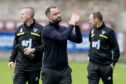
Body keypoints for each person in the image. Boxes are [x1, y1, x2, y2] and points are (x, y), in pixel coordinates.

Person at [41, 6, 82, 84]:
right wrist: (72, 24)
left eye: (58, 13)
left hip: (64, 70)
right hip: (50, 70)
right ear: (49, 17)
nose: (58, 15)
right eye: (55, 14)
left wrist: (76, 25)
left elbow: (78, 40)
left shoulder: (63, 28)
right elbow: (61, 37)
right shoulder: (47, 29)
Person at [8, 7, 44, 84]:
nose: (20, 16)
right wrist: (11, 60)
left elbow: (45, 46)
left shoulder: (41, 29)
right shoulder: (19, 29)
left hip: (34, 67)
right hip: (20, 67)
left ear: (29, 15)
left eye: (22, 14)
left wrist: (33, 49)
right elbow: (15, 46)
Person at [88, 11, 120, 84]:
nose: (89, 21)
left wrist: (113, 63)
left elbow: (116, 49)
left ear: (96, 19)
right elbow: (91, 44)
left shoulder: (109, 32)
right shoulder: (92, 31)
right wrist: (90, 56)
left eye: (90, 19)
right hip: (92, 65)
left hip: (105, 66)